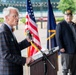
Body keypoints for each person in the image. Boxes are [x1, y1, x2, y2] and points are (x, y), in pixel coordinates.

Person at [0, 7, 34, 75]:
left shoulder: (8, 30)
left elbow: (13, 49)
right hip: (9, 71)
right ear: (7, 18)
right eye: (14, 16)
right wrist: (25, 60)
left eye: (17, 16)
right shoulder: (3, 32)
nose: (17, 18)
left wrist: (26, 42)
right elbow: (6, 55)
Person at [56, 10, 76, 75]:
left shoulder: (74, 25)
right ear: (64, 16)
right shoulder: (61, 25)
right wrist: (61, 47)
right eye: (67, 16)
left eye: (70, 16)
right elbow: (58, 37)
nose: (69, 17)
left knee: (74, 69)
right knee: (65, 69)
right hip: (66, 50)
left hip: (74, 50)